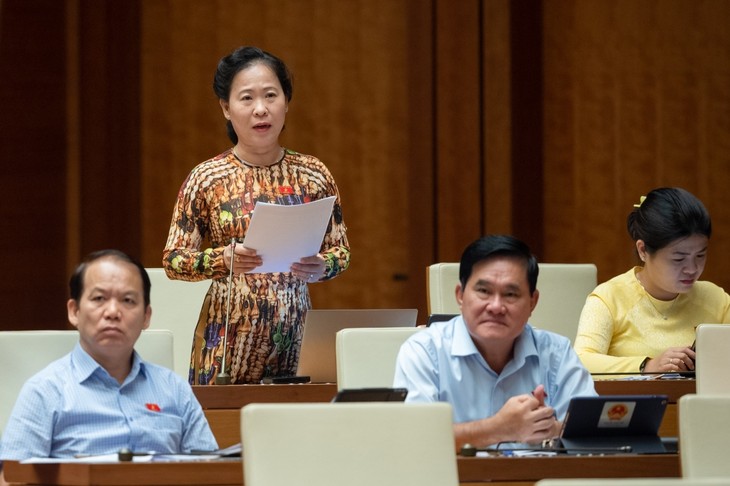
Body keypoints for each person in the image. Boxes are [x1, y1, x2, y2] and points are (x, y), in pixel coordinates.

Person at [162, 46, 350, 385]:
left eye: (270, 95)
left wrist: (324, 265)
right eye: (246, 98)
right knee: (224, 434)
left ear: (286, 102)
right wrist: (223, 259)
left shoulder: (313, 174)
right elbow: (174, 260)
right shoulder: (207, 178)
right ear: (226, 108)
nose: (260, 109)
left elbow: (342, 251)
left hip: (294, 335)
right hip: (226, 341)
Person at [0, 250, 217, 483]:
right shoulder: (45, 391)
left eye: (128, 301)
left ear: (146, 316)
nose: (113, 312)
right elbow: (11, 479)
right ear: (74, 311)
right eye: (99, 299)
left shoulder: (175, 390)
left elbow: (214, 475)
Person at [393, 235, 596, 451]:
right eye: (484, 291)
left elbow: (594, 432)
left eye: (510, 294)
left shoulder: (556, 353)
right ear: (460, 296)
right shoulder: (424, 351)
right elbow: (414, 439)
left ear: (532, 302)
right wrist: (499, 428)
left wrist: (551, 430)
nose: (496, 306)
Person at [574, 187, 730, 374]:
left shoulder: (716, 299)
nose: (692, 269)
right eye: (678, 259)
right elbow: (581, 361)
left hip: (699, 402)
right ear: (643, 250)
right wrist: (647, 365)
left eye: (700, 255)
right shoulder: (610, 298)